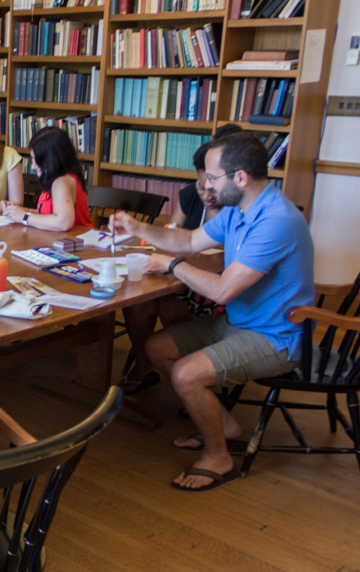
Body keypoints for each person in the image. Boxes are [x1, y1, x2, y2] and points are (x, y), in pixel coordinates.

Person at [110, 132, 315, 493]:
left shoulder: (275, 221)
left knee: (187, 375)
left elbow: (222, 289)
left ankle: (219, 455)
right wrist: (137, 228)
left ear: (240, 178)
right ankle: (227, 426)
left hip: (275, 337)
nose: (206, 185)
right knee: (158, 348)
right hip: (239, 321)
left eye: (212, 177)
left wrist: (173, 266)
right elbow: (189, 240)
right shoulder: (240, 210)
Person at [120, 124, 242, 393]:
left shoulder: (239, 209)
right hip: (187, 277)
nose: (207, 192)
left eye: (213, 183)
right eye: (202, 185)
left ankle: (194, 378)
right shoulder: (191, 196)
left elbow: (226, 281)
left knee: (169, 304)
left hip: (221, 290)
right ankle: (145, 362)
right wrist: (141, 229)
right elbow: (177, 237)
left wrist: (175, 261)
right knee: (139, 299)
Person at [2, 126, 92, 231]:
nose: (33, 167)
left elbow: (63, 222)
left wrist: (24, 216)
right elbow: (48, 214)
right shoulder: (58, 178)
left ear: (50, 159)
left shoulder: (62, 182)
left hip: (76, 242)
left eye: (37, 160)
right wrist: (17, 211)